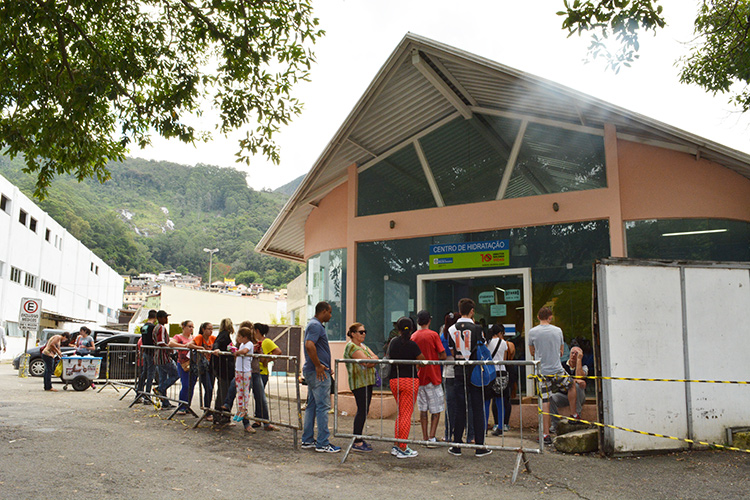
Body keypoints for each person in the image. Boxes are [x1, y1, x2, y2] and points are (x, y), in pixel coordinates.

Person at [448, 298, 492, 457]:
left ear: (459, 310)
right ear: (472, 311)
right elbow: (483, 348)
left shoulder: (451, 328)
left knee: (460, 408)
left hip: (459, 371)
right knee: (478, 407)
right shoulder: (477, 328)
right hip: (475, 371)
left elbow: (452, 351)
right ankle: (480, 446)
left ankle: (457, 444)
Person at [528, 306, 578, 445]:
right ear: (550, 317)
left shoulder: (532, 332)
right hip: (557, 370)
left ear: (538, 317)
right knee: (571, 385)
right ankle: (573, 415)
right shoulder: (558, 331)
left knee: (545, 401)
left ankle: (545, 434)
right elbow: (562, 351)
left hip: (542, 373)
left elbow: (532, 351)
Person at [300, 301, 341, 453]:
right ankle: (323, 443)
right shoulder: (316, 325)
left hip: (315, 371)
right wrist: (318, 365)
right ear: (323, 311)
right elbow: (309, 345)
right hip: (317, 373)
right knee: (323, 406)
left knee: (312, 405)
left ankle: (308, 440)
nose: (330, 316)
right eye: (330, 312)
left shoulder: (313, 325)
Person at [388, 316, 425, 459]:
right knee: (406, 415)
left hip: (394, 381)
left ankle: (397, 444)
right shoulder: (412, 344)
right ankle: (402, 447)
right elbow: (422, 360)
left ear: (397, 328)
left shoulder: (393, 343)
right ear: (411, 329)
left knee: (401, 413)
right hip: (410, 381)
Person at [411, 310, 446, 447]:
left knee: (423, 409)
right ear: (429, 320)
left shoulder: (414, 336)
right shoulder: (433, 335)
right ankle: (432, 437)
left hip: (420, 377)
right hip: (433, 375)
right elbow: (442, 354)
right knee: (436, 409)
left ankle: (424, 437)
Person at [343, 322, 378, 452]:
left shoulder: (362, 346)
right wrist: (370, 359)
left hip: (367, 381)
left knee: (364, 410)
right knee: (362, 410)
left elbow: (375, 358)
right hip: (359, 383)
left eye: (364, 332)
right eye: (360, 332)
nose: (363, 334)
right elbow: (368, 361)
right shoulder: (352, 347)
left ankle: (359, 437)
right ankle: (357, 440)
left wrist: (370, 359)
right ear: (353, 334)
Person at [549, 345, 588, 434]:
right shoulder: (562, 366)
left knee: (577, 386)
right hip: (564, 395)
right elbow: (558, 381)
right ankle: (555, 425)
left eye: (577, 354)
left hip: (579, 397)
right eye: (572, 353)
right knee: (550, 397)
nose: (574, 355)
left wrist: (579, 360)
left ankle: (576, 416)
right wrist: (574, 381)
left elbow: (579, 376)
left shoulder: (584, 367)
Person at [251, 323, 280, 431]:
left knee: (260, 396)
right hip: (256, 371)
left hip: (262, 372)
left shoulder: (266, 341)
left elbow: (278, 351)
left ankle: (263, 420)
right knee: (257, 396)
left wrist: (266, 360)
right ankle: (258, 419)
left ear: (257, 330)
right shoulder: (255, 342)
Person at [185, 321, 215, 415]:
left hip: (211, 366)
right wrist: (199, 348)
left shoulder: (213, 338)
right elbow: (189, 345)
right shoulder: (199, 337)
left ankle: (207, 409)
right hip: (202, 367)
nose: (211, 331)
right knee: (208, 388)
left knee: (211, 389)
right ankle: (206, 411)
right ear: (203, 329)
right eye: (209, 329)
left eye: (212, 329)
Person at [154, 310, 179, 409]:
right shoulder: (161, 328)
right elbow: (161, 342)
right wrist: (170, 349)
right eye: (165, 317)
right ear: (160, 318)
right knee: (177, 374)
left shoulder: (156, 328)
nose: (166, 319)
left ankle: (165, 403)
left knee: (162, 378)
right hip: (163, 357)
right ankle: (160, 389)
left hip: (158, 357)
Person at [233, 326, 256, 433]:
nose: (238, 338)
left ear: (245, 337)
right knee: (240, 391)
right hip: (238, 370)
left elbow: (245, 351)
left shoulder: (249, 344)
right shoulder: (242, 344)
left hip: (245, 371)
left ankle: (244, 409)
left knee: (245, 390)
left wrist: (237, 352)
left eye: (240, 336)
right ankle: (240, 407)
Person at [486, 323, 508, 436]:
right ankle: (500, 426)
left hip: (489, 372)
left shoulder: (487, 342)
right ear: (500, 333)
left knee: (486, 401)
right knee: (500, 400)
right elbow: (504, 358)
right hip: (501, 371)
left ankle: (484, 426)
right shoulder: (503, 343)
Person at [213, 318, 235, 424]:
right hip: (225, 368)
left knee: (223, 391)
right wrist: (217, 350)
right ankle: (220, 415)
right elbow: (216, 345)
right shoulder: (224, 335)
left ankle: (219, 415)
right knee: (224, 392)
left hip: (223, 368)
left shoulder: (222, 334)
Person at [440, 311, 458, 441]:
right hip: (457, 371)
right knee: (462, 404)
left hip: (447, 373)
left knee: (449, 406)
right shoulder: (457, 334)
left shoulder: (443, 335)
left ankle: (448, 434)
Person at [135, 310, 158, 404]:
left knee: (144, 373)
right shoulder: (153, 327)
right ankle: (147, 396)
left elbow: (143, 341)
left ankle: (138, 393)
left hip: (145, 352)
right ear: (155, 317)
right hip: (151, 352)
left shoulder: (143, 326)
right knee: (150, 374)